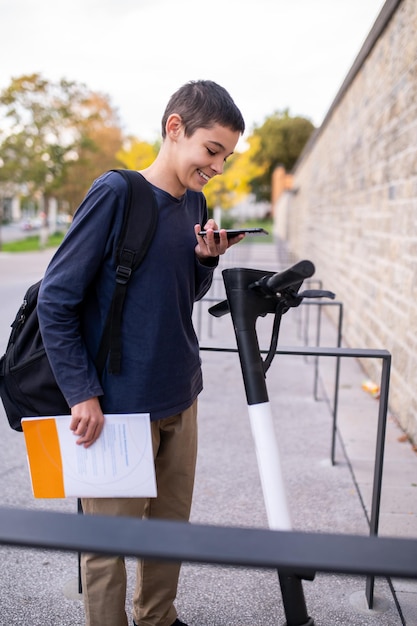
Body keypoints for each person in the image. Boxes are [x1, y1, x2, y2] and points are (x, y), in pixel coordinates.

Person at [37, 79, 245, 626]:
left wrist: (205, 261)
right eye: (213, 150)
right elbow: (55, 300)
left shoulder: (197, 202)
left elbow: (178, 295)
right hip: (116, 407)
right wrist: (82, 393)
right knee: (107, 545)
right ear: (175, 128)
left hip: (181, 393)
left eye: (226, 155)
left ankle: (158, 618)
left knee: (170, 530)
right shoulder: (116, 193)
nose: (218, 165)